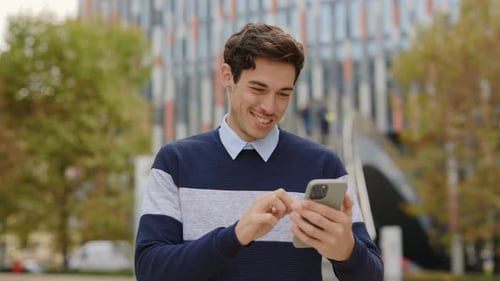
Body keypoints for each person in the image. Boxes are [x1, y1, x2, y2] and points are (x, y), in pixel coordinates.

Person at [135, 23, 383, 281]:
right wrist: (237, 235)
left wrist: (347, 250)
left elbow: (372, 276)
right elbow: (149, 270)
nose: (269, 107)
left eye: (283, 94)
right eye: (258, 89)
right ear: (227, 76)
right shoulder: (175, 162)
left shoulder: (323, 165)